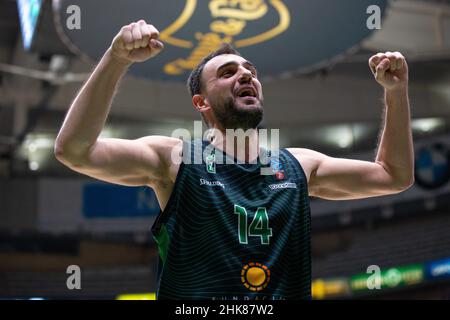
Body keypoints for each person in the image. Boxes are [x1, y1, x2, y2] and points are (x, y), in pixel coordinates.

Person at [54, 20, 415, 300]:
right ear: (202, 103)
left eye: (250, 72)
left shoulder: (299, 166)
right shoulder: (176, 159)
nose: (246, 74)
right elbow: (74, 151)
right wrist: (117, 58)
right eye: (227, 73)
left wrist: (395, 93)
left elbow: (393, 175)